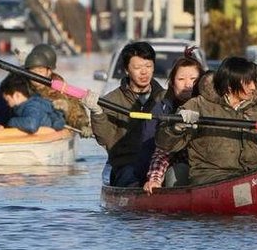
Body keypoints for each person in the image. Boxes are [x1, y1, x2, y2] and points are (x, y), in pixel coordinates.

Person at [155, 55, 257, 187]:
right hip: (212, 178)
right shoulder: (198, 105)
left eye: (254, 81)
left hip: (256, 175)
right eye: (247, 82)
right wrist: (177, 127)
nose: (253, 87)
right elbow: (165, 143)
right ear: (230, 85)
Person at [84, 40, 165, 187]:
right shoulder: (111, 100)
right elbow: (105, 139)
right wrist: (97, 113)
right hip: (126, 165)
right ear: (127, 70)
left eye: (148, 66)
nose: (144, 72)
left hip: (158, 164)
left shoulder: (165, 98)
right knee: (129, 178)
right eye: (137, 67)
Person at [143, 50, 208, 194]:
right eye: (181, 79)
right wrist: (154, 179)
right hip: (179, 166)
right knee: (176, 173)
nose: (188, 85)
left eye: (193, 79)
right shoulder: (163, 109)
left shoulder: (212, 105)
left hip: (210, 168)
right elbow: (162, 150)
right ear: (172, 83)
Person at [23, 43, 92, 137]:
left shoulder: (59, 90)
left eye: (40, 70)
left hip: (50, 130)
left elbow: (75, 109)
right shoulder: (21, 83)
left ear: (49, 71)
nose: (36, 75)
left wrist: (83, 125)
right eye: (33, 70)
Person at [0, 73, 66, 134]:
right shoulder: (26, 105)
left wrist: (11, 122)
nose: (7, 104)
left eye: (8, 100)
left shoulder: (32, 106)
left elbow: (31, 125)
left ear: (17, 95)